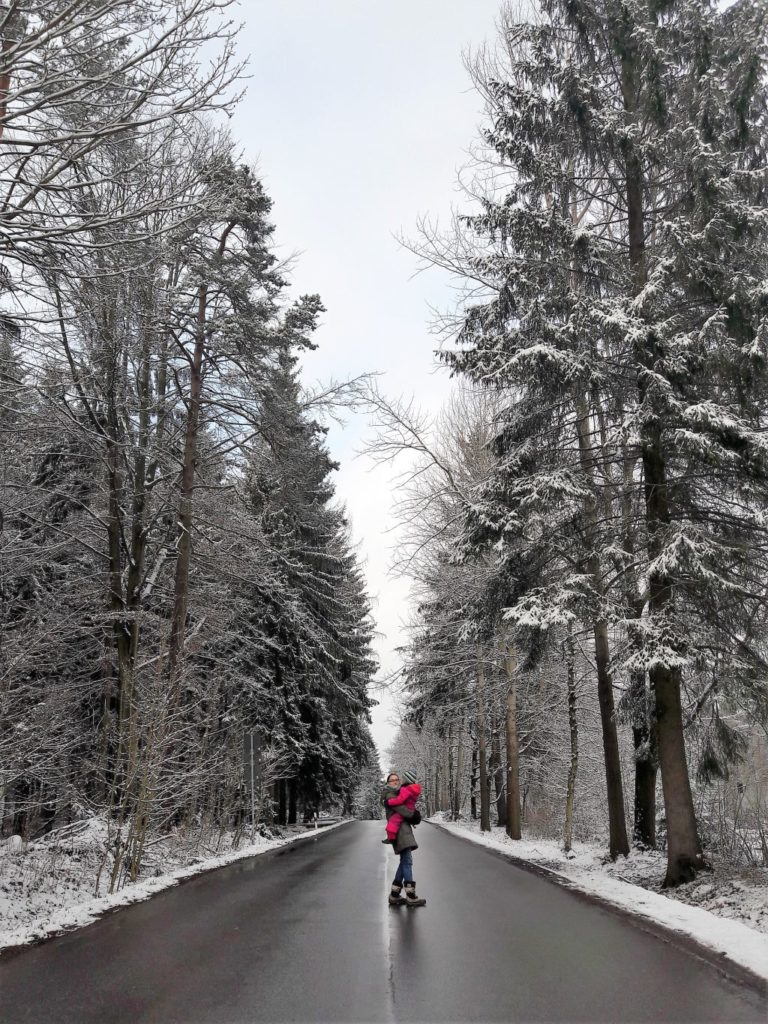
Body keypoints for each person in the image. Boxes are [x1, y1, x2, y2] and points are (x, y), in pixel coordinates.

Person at [381, 770, 426, 907]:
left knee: (404, 861)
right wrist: (414, 815)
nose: (395, 781)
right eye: (392, 780)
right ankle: (410, 895)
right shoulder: (389, 795)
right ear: (387, 783)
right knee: (407, 861)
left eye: (397, 780)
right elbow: (403, 809)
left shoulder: (398, 793)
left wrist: (414, 814)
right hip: (399, 832)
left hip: (403, 831)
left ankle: (394, 895)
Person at [382, 769, 421, 844]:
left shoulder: (406, 789)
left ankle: (391, 838)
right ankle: (391, 838)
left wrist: (389, 802)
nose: (401, 780)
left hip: (406, 810)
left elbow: (400, 800)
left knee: (393, 821)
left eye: (401, 779)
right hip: (411, 808)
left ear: (407, 780)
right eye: (392, 780)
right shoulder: (413, 788)